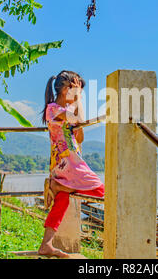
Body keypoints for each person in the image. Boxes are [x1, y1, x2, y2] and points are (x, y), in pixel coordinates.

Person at [38, 70, 104, 258]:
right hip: (68, 164)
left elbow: (80, 134)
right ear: (65, 89)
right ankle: (59, 185)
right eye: (75, 90)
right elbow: (80, 121)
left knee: (62, 200)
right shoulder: (52, 109)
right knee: (101, 191)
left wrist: (75, 109)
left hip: (67, 164)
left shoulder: (66, 113)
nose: (78, 95)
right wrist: (78, 101)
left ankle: (46, 245)